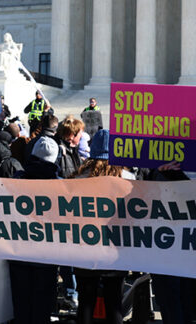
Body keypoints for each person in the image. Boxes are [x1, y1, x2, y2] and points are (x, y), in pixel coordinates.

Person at [71, 129, 132, 324]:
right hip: (116, 250)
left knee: (85, 304)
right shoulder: (129, 178)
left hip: (83, 249)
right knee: (114, 303)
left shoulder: (76, 179)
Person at [9, 114, 62, 323]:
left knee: (21, 304)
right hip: (46, 254)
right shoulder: (61, 186)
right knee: (42, 306)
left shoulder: (18, 179)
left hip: (19, 251)